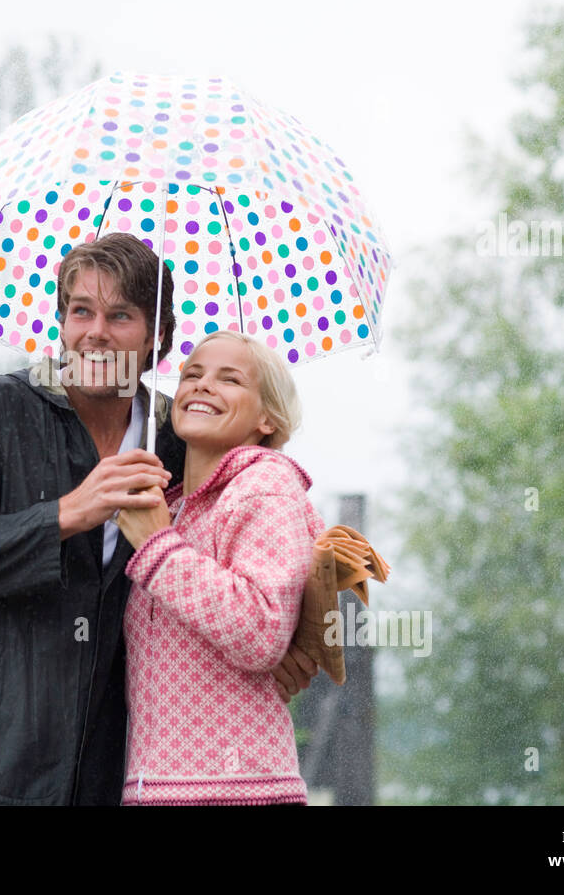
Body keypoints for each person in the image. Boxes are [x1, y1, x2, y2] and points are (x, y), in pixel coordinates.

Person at [0, 232, 318, 805]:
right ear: (61, 324)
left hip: (110, 773)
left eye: (121, 315)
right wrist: (63, 515)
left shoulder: (178, 438)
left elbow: (260, 553)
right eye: (81, 311)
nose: (96, 332)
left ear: (155, 338)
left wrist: (299, 639)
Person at [116, 330, 324, 805]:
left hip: (239, 790)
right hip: (155, 791)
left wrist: (157, 547)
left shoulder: (264, 486)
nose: (202, 385)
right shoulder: (171, 510)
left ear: (267, 417)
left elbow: (261, 629)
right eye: (192, 374)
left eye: (229, 379)